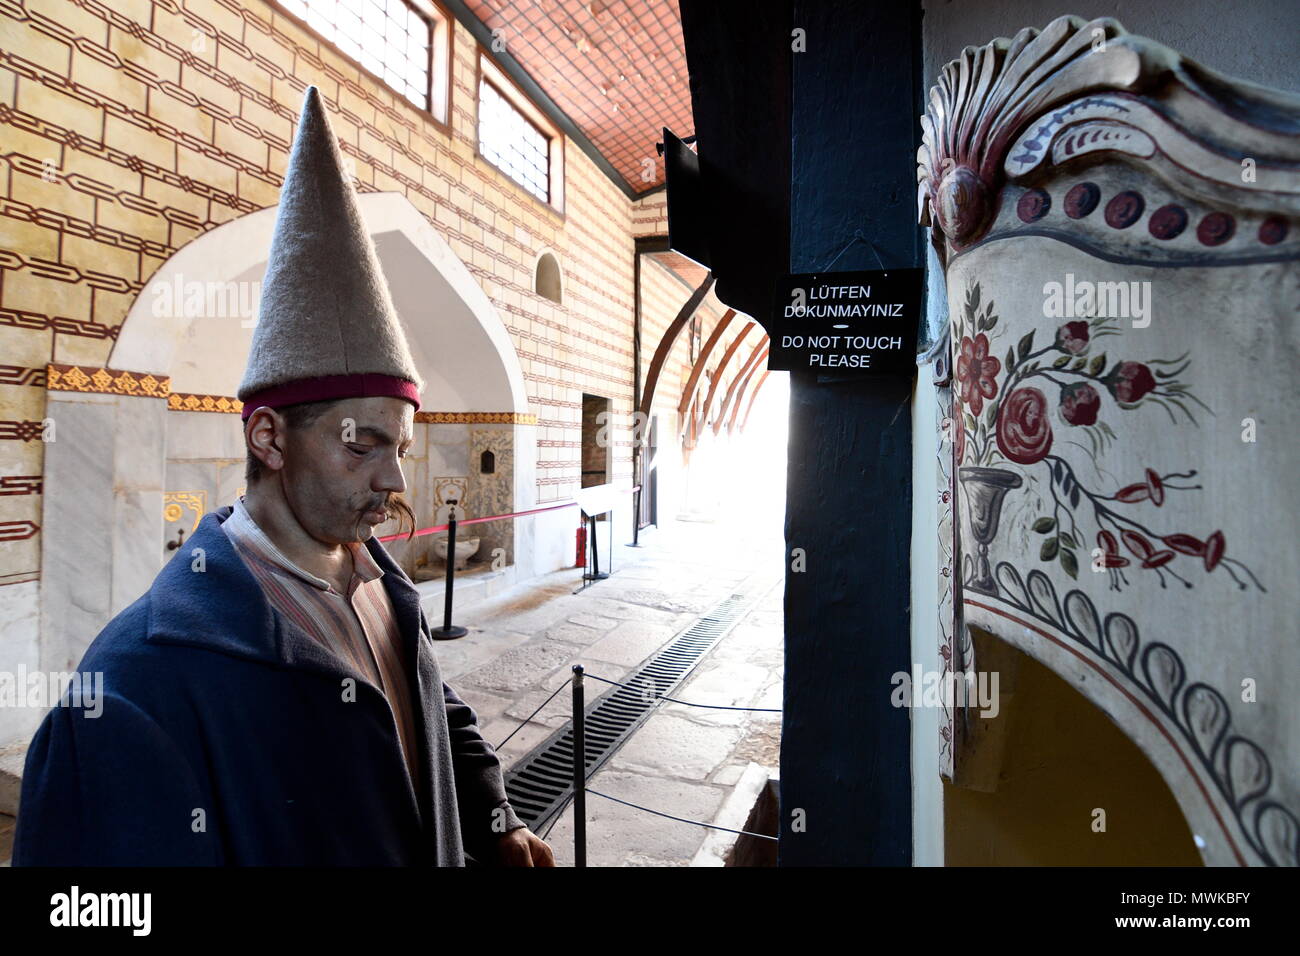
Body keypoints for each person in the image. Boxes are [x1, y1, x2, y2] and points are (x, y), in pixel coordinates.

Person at [13, 86, 553, 867]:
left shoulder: (378, 581)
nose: (393, 478)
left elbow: (431, 707)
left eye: (399, 444)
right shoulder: (140, 684)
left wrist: (494, 819)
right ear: (268, 436)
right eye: (362, 444)